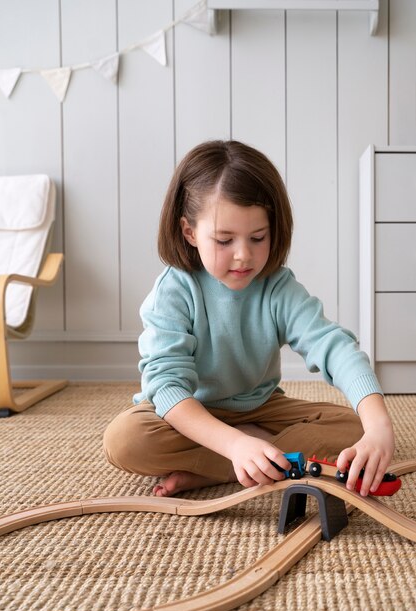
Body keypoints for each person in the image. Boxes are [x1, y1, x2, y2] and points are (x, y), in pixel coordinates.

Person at [103, 140, 395, 499]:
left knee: (351, 427)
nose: (244, 255)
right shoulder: (174, 290)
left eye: (258, 237)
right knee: (125, 439)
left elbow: (332, 345)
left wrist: (379, 425)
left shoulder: (277, 287)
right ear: (189, 232)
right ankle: (249, 457)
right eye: (224, 240)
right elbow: (166, 387)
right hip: (192, 414)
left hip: (260, 408)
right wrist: (236, 443)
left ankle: (222, 468)